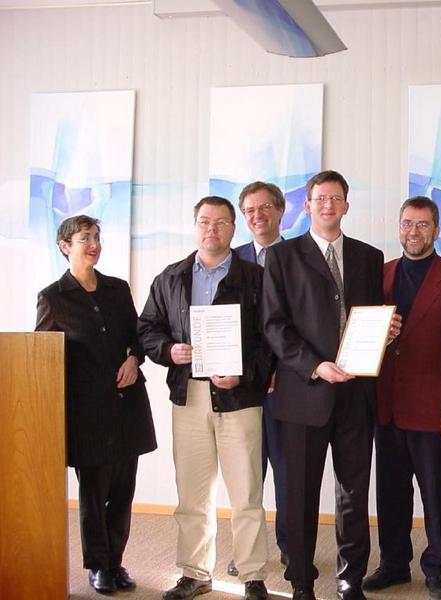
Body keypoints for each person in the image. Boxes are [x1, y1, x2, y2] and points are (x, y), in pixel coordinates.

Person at [262, 170, 400, 600]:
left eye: (335, 198)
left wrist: (387, 331)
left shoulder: (368, 256)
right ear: (307, 205)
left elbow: (369, 318)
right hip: (303, 395)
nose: (327, 205)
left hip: (356, 397)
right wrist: (315, 365)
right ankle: (302, 582)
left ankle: (350, 579)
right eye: (319, 198)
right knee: (299, 496)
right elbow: (274, 326)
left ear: (346, 205)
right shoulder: (281, 257)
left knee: (354, 497)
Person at [138, 196, 271, 600]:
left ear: (234, 229)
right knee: (192, 492)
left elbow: (272, 338)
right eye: (204, 222)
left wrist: (244, 374)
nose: (211, 230)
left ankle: (252, 575)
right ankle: (195, 573)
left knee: (247, 493)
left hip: (239, 397)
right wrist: (167, 351)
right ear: (195, 226)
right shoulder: (171, 277)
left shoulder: (256, 277)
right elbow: (147, 327)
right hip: (189, 395)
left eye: (221, 223)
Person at [363, 196, 441, 599]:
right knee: (390, 494)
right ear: (399, 227)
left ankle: (437, 569)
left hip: (434, 411)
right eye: (408, 224)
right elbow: (360, 338)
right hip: (387, 407)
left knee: (435, 495)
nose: (414, 232)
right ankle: (394, 565)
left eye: (423, 225)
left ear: (437, 230)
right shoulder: (380, 275)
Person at [35, 215, 157, 595]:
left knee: (122, 492)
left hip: (126, 408)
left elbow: (138, 339)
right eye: (85, 237)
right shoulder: (53, 297)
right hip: (87, 414)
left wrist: (134, 359)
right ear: (64, 246)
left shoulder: (118, 289)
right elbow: (41, 356)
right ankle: (97, 566)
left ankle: (116, 562)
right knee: (93, 494)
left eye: (97, 237)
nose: (93, 243)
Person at [227, 181, 289, 577]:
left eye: (265, 207)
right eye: (249, 210)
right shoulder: (230, 261)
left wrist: (281, 369)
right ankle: (248, 551)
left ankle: (289, 547)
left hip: (286, 384)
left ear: (281, 210)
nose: (257, 216)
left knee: (287, 471)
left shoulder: (298, 255)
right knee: (246, 474)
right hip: (244, 386)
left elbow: (302, 323)